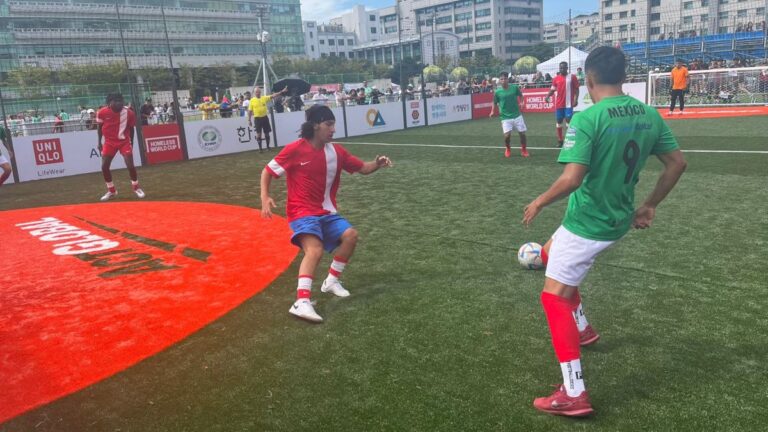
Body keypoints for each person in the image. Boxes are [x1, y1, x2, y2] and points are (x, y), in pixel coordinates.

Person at [522, 46, 687, 417]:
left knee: (553, 299)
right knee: (548, 254)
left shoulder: (588, 119)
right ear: (624, 77)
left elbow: (571, 178)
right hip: (617, 221)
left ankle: (573, 392)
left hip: (588, 224)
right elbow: (677, 163)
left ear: (588, 79)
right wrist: (649, 205)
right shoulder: (648, 114)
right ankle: (583, 330)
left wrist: (538, 202)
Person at [260, 105, 393, 323]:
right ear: (315, 126)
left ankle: (331, 281)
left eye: (333, 124)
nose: (333, 129)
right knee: (315, 250)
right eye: (328, 124)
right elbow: (267, 171)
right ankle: (301, 302)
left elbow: (363, 168)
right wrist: (265, 197)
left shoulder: (337, 152)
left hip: (326, 211)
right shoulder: (294, 149)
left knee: (351, 236)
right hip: (301, 212)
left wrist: (376, 164)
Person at [96, 93, 145, 201]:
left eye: (121, 101)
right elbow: (99, 128)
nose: (119, 103)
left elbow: (131, 129)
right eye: (116, 101)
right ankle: (111, 191)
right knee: (104, 166)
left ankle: (136, 188)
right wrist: (99, 142)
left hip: (124, 141)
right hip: (109, 142)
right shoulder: (102, 112)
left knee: (130, 165)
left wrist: (131, 142)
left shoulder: (129, 113)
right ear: (110, 103)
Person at [488, 71, 529, 158]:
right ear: (500, 80)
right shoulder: (498, 92)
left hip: (517, 115)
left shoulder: (514, 88)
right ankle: (508, 148)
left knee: (522, 134)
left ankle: (524, 150)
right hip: (505, 117)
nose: (503, 80)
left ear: (508, 79)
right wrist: (492, 111)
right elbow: (494, 102)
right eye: (502, 79)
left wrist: (522, 102)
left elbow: (521, 96)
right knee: (507, 136)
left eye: (505, 79)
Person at [546, 62, 580, 147]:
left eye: (564, 68)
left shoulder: (572, 77)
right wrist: (547, 96)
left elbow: (576, 89)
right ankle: (560, 140)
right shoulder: (556, 79)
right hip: (559, 104)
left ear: (567, 68)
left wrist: (576, 99)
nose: (562, 69)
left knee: (569, 120)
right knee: (559, 121)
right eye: (561, 68)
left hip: (568, 104)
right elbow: (552, 90)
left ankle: (570, 140)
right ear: (559, 68)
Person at [248, 86, 287, 151]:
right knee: (258, 134)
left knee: (267, 133)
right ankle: (260, 148)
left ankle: (268, 147)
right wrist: (249, 120)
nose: (258, 93)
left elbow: (273, 95)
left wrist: (282, 91)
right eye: (256, 92)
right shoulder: (252, 100)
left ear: (260, 92)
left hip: (265, 117)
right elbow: (249, 111)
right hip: (257, 119)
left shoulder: (264, 98)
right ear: (254, 93)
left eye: (259, 92)